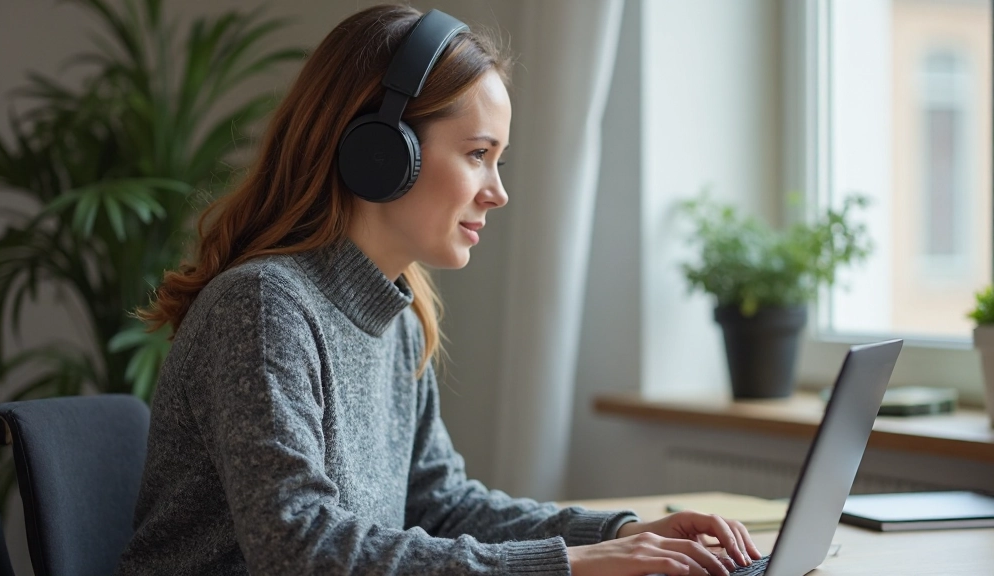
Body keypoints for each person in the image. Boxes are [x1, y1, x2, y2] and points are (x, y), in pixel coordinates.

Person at [116, 5, 762, 576]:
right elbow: (300, 552)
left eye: (498, 160)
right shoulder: (262, 308)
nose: (498, 192)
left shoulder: (394, 313)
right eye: (477, 153)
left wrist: (620, 534)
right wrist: (571, 565)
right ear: (381, 151)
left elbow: (440, 505)